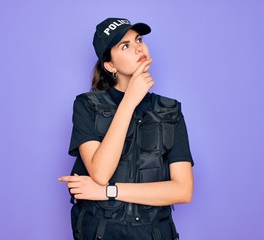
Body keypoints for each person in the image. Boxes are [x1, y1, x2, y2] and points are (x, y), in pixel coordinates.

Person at [59, 17, 194, 240]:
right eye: (125, 45)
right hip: (101, 233)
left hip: (154, 234)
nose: (138, 47)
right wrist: (130, 100)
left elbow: (183, 190)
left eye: (138, 39)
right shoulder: (86, 106)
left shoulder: (171, 111)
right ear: (110, 65)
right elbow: (101, 173)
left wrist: (108, 192)